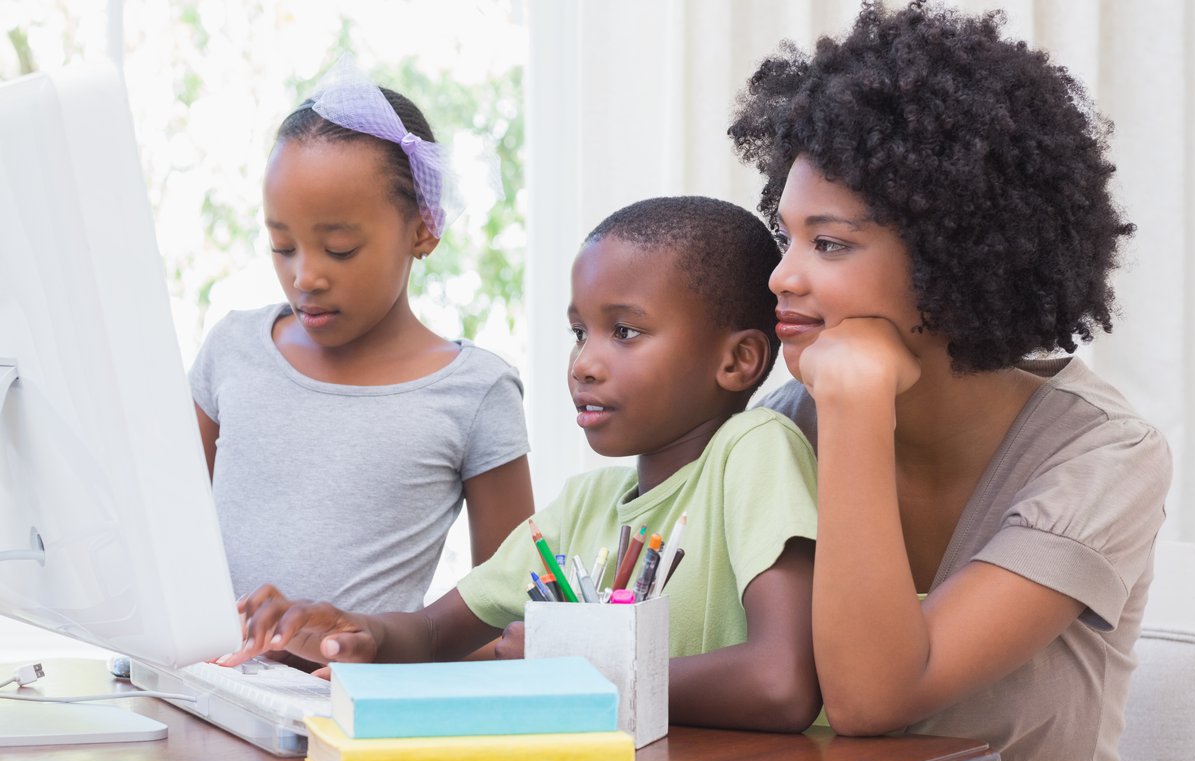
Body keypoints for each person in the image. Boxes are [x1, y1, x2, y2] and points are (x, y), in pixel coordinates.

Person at [728, 2, 1171, 761]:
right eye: (785, 234)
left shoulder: (1106, 456)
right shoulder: (781, 429)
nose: (782, 276)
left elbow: (874, 697)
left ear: (954, 261)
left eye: (829, 244)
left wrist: (860, 407)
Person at [226, 196, 823, 732]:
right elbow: (435, 634)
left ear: (739, 360)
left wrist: (570, 670)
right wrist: (356, 634)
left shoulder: (755, 449)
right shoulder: (583, 507)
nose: (584, 364)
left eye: (624, 331)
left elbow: (782, 683)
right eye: (578, 332)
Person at [190, 62, 534, 616]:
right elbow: (164, 536)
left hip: (351, 701)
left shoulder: (476, 392)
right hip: (206, 684)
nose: (305, 276)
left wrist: (375, 648)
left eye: (341, 248)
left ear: (423, 227)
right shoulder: (233, 349)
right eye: (282, 246)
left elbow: (509, 618)